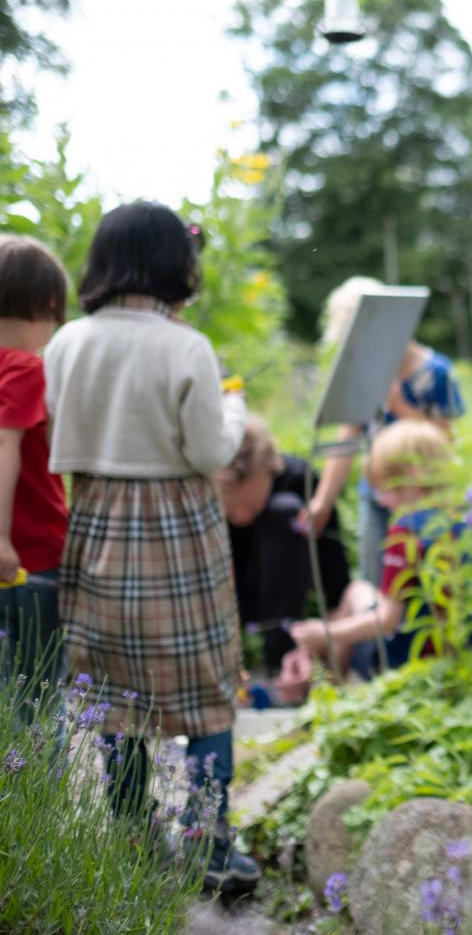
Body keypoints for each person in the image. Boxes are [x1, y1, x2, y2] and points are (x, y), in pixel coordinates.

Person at [43, 202, 258, 894]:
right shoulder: (184, 346)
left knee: (114, 692)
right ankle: (211, 845)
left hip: (97, 518)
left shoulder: (68, 341)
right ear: (176, 264)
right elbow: (210, 452)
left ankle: (133, 838)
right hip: (177, 527)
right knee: (205, 689)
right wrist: (234, 409)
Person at [302, 276, 466, 588]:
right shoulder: (364, 372)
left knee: (427, 583)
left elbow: (446, 440)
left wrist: (399, 405)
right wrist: (322, 500)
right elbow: (349, 434)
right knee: (376, 578)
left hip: (425, 495)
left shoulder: (435, 373)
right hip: (377, 494)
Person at [287, 419, 472, 678]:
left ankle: (331, 685)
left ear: (411, 477)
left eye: (385, 487)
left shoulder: (405, 532)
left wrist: (323, 632)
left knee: (353, 597)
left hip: (406, 665)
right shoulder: (467, 521)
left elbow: (386, 620)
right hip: (462, 658)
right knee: (358, 591)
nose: (382, 500)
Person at [214, 418, 354, 678]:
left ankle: (282, 662)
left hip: (286, 604)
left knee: (285, 512)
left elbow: (336, 581)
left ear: (268, 469)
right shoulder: (208, 497)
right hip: (232, 602)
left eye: (248, 504)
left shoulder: (302, 483)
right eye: (232, 508)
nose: (241, 514)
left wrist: (327, 655)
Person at [0, 235, 70, 708]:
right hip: (29, 559)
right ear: (49, 302)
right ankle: (39, 785)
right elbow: (6, 443)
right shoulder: (26, 370)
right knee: (37, 701)